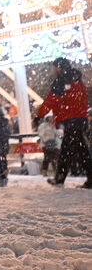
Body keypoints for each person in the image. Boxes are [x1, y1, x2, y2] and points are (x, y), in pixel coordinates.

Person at [35, 58, 92, 188]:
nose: (53, 71)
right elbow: (81, 101)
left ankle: (60, 178)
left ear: (59, 68)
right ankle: (84, 178)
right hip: (80, 119)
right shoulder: (78, 81)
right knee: (80, 150)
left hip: (71, 120)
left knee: (68, 150)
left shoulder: (61, 80)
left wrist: (39, 115)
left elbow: (51, 100)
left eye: (54, 67)